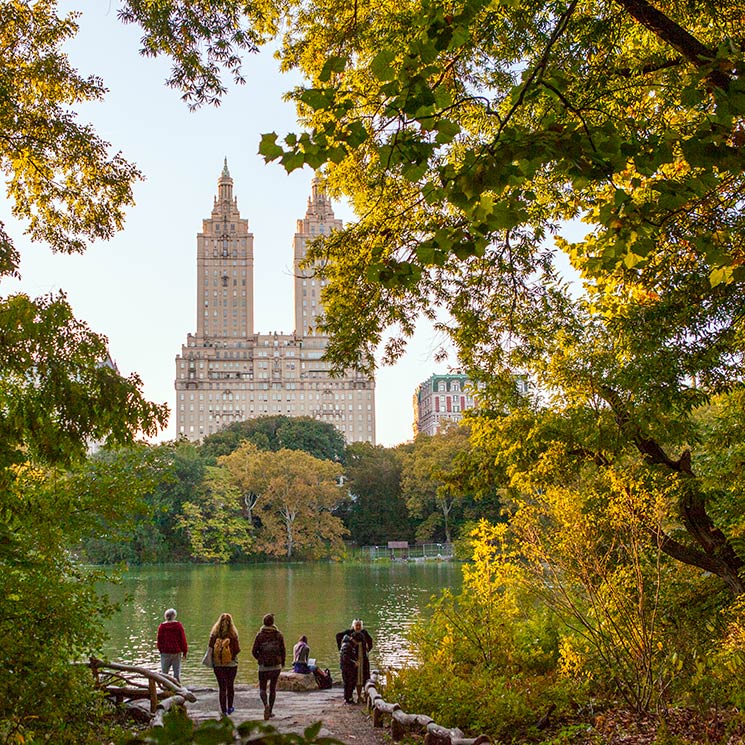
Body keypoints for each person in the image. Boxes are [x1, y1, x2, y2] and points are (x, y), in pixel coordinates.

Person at [252, 613, 286, 720]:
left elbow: (253, 651)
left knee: (262, 689)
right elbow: (283, 650)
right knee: (272, 689)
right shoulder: (278, 635)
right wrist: (282, 662)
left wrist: (260, 659)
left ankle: (265, 705)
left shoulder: (259, 635)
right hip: (276, 666)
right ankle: (270, 710)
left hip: (263, 667)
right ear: (272, 623)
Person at [208, 612, 240, 716]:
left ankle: (223, 711)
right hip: (231, 665)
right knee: (230, 686)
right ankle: (230, 707)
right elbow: (237, 650)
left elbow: (210, 649)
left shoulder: (214, 635)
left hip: (218, 665)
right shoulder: (233, 635)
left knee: (222, 688)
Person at [336, 618, 373, 698]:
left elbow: (370, 641)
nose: (358, 627)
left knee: (364, 677)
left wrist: (368, 649)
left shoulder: (364, 633)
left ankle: (364, 696)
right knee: (353, 678)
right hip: (353, 659)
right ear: (354, 626)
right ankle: (353, 696)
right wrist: (341, 648)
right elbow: (338, 636)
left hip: (363, 658)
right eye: (357, 625)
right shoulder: (349, 632)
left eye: (360, 625)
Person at [156, 608, 188, 682]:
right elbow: (182, 639)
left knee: (164, 673)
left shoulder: (162, 627)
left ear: (166, 616)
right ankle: (178, 688)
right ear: (174, 616)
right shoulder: (178, 626)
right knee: (176, 673)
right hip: (176, 652)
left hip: (165, 652)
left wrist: (161, 650)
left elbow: (159, 640)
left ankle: (165, 688)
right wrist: (185, 651)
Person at [339, 633, 358, 704]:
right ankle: (348, 699)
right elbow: (345, 657)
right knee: (349, 683)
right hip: (347, 668)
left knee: (348, 683)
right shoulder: (347, 646)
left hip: (347, 667)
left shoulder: (347, 644)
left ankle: (348, 698)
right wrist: (354, 662)